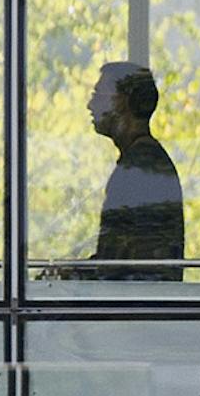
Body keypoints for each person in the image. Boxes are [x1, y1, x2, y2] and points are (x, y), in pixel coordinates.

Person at [78, 60, 185, 278]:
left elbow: (127, 267)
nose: (91, 105)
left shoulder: (141, 168)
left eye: (98, 95)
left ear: (122, 100)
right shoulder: (141, 162)